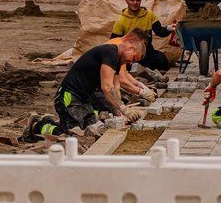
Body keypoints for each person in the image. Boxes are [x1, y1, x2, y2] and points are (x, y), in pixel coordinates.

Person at [21, 30, 150, 141]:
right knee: (72, 136)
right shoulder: (110, 52)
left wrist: (119, 115)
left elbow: (115, 88)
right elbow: (107, 87)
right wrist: (124, 108)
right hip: (69, 96)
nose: (130, 62)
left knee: (91, 131)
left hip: (84, 99)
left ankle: (56, 123)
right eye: (133, 58)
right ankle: (36, 126)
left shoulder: (116, 60)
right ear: (131, 48)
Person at [110, 0, 173, 72]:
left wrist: (169, 28)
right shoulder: (121, 21)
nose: (135, 3)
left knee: (162, 60)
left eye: (137, 0)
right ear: (126, 1)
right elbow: (113, 43)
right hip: (130, 55)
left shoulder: (149, 15)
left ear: (140, 1)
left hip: (147, 52)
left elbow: (160, 32)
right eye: (132, 0)